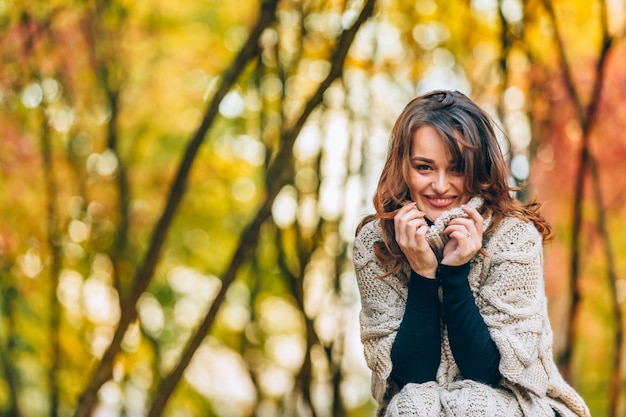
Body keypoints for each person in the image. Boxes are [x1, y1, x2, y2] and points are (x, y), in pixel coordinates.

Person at [352, 90, 590, 417]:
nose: (440, 185)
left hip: (517, 404)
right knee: (410, 407)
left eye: (457, 169)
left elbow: (490, 374)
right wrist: (422, 273)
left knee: (471, 407)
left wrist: (455, 273)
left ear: (478, 168)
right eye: (424, 167)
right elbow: (408, 376)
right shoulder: (374, 243)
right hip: (419, 406)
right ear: (403, 167)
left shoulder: (514, 236)